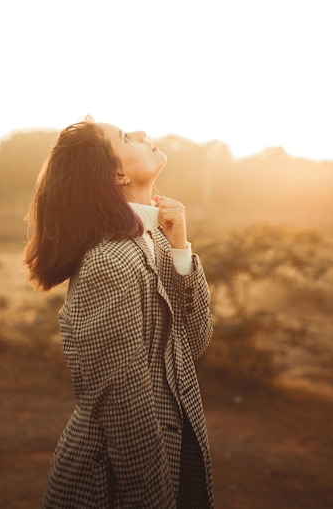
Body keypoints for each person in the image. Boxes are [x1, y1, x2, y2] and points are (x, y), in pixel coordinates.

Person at [24, 116, 214, 508]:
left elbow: (194, 343)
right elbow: (124, 408)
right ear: (117, 175)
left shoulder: (154, 241)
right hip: (110, 484)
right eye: (126, 137)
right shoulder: (108, 262)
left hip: (171, 454)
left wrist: (181, 250)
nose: (143, 133)